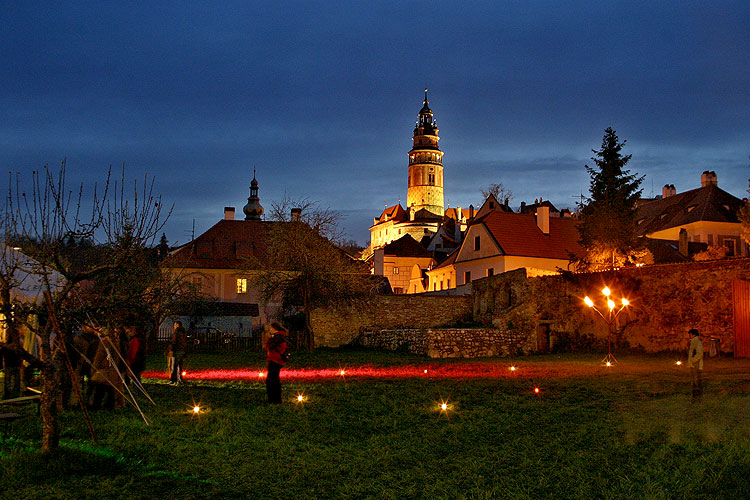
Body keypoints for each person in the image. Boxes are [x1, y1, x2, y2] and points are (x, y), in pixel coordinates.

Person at [264, 322, 289, 404]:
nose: (269, 330)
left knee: (272, 380)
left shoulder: (278, 337)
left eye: (270, 328)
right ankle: (276, 399)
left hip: (275, 360)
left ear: (274, 328)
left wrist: (268, 339)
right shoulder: (281, 336)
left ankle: (274, 399)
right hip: (276, 360)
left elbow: (269, 346)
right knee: (274, 379)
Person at [687, 328, 704, 399]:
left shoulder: (697, 342)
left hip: (696, 364)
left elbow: (699, 354)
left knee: (696, 379)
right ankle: (695, 395)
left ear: (693, 335)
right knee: (694, 379)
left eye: (690, 334)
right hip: (693, 363)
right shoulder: (693, 342)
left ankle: (697, 395)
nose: (689, 336)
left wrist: (693, 361)